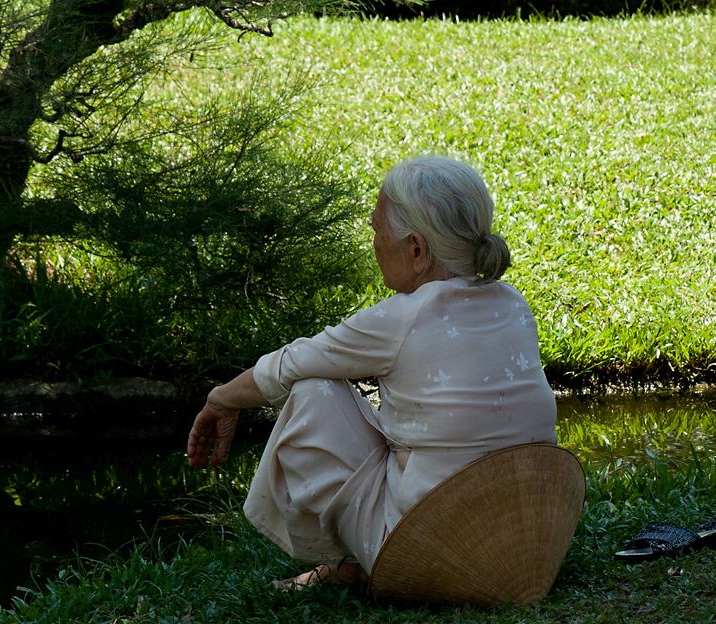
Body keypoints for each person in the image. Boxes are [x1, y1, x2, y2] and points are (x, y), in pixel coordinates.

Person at [187, 155, 557, 587]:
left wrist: (220, 399)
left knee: (314, 390)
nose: (374, 238)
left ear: (416, 249)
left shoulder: (405, 316)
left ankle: (361, 566)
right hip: (527, 548)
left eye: (378, 229)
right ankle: (368, 560)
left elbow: (288, 364)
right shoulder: (514, 303)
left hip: (435, 555)